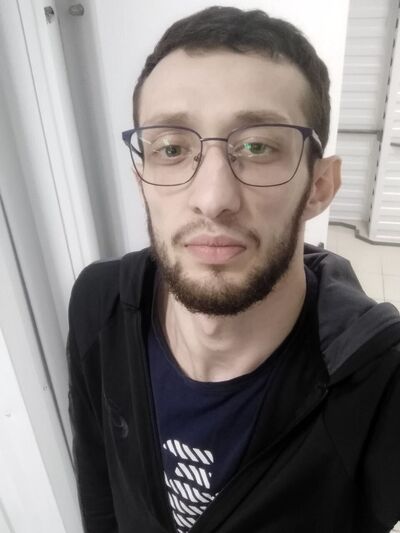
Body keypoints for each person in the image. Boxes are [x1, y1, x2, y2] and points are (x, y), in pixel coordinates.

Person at [67, 6, 400, 533]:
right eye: (171, 148)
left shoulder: (379, 383)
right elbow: (99, 494)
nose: (213, 198)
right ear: (142, 180)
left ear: (319, 186)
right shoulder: (98, 303)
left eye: (257, 146)